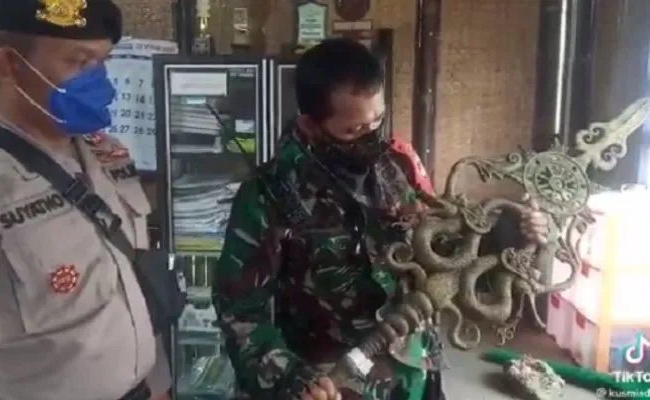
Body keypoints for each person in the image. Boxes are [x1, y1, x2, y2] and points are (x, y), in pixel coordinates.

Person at [212, 38, 550, 400]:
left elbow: (442, 247)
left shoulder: (397, 168)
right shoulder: (268, 196)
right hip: (330, 383)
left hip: (412, 372)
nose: (371, 138)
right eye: (353, 131)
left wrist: (512, 233)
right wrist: (291, 378)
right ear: (310, 125)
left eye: (377, 121)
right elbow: (240, 310)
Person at [0, 1, 171, 399]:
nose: (100, 81)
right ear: (9, 65)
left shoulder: (106, 154)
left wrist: (158, 385)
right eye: (79, 62)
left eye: (102, 63)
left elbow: (131, 286)